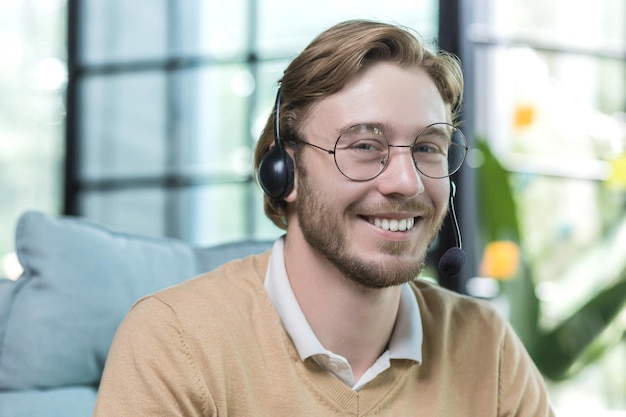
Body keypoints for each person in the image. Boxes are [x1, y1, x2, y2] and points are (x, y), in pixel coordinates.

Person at [94, 19, 555, 416]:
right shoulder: (175, 341)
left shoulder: (484, 343)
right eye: (363, 146)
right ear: (284, 171)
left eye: (427, 148)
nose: (406, 182)